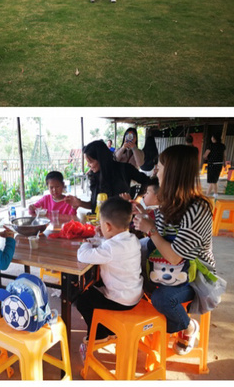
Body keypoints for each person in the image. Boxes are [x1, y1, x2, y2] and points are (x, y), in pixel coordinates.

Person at [132, 144, 215, 354]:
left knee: (162, 298)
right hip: (166, 269)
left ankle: (188, 326)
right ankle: (164, 323)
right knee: (132, 278)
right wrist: (142, 221)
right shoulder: (166, 205)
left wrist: (150, 230)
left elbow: (175, 257)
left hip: (193, 276)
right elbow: (158, 245)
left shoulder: (197, 209)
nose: (155, 172)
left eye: (159, 168)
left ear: (173, 173)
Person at [75, 196, 142, 357]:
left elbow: (83, 255)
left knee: (82, 300)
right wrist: (103, 236)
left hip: (120, 300)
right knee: (94, 289)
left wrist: (85, 242)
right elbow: (109, 247)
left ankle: (100, 334)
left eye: (101, 224)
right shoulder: (132, 238)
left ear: (108, 226)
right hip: (134, 295)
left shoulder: (111, 248)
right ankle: (107, 329)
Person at [67, 140, 150, 213]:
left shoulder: (124, 169)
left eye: (90, 162)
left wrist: (136, 201)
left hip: (121, 222)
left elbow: (146, 181)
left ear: (101, 159)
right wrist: (80, 203)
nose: (88, 165)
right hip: (100, 224)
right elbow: (95, 206)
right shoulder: (94, 175)